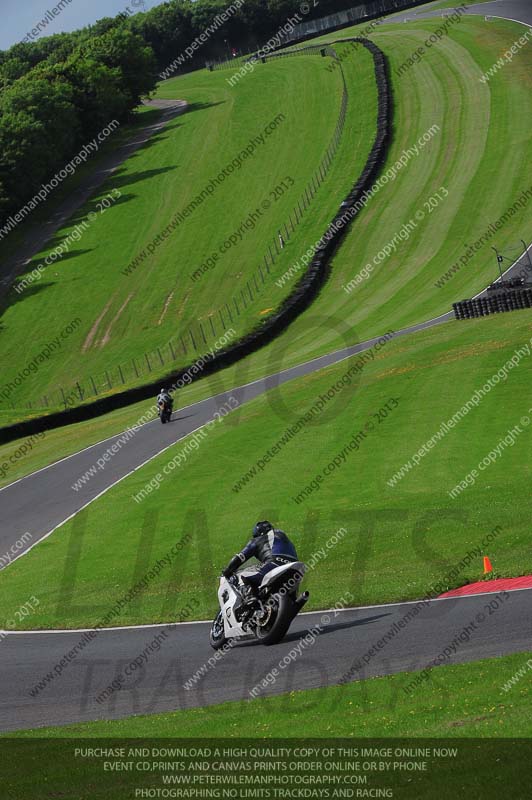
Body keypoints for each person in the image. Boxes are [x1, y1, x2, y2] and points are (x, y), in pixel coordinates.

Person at [222, 521, 298, 600]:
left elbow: (240, 557)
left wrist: (228, 570)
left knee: (242, 576)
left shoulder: (258, 540)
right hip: (295, 567)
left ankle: (250, 597)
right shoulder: (284, 538)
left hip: (274, 564)